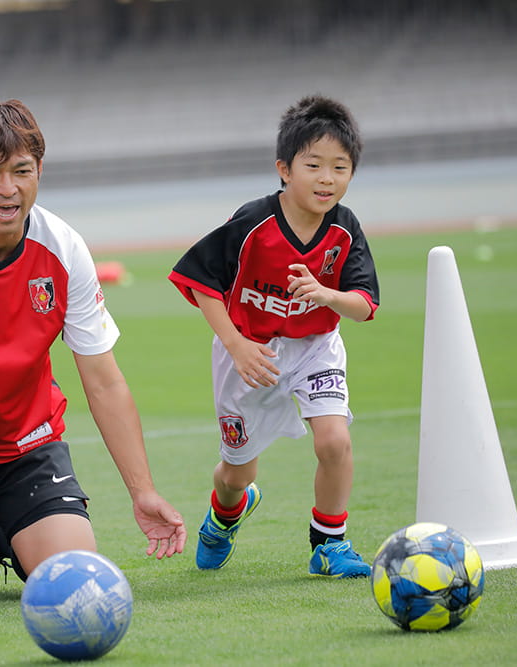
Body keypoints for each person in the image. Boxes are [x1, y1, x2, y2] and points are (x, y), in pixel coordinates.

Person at [0, 99, 186, 610]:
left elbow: (104, 381)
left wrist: (143, 490)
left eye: (22, 171)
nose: (9, 188)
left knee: (74, 577)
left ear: (39, 171)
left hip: (26, 437)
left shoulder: (64, 248)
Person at [168, 95, 380, 578]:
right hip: (250, 351)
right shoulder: (252, 223)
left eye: (340, 168)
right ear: (284, 169)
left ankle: (329, 544)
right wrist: (236, 345)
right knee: (237, 472)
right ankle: (226, 514)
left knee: (334, 442)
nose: (327, 179)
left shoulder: (345, 230)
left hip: (315, 348)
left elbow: (366, 304)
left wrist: (328, 295)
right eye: (314, 165)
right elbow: (199, 281)